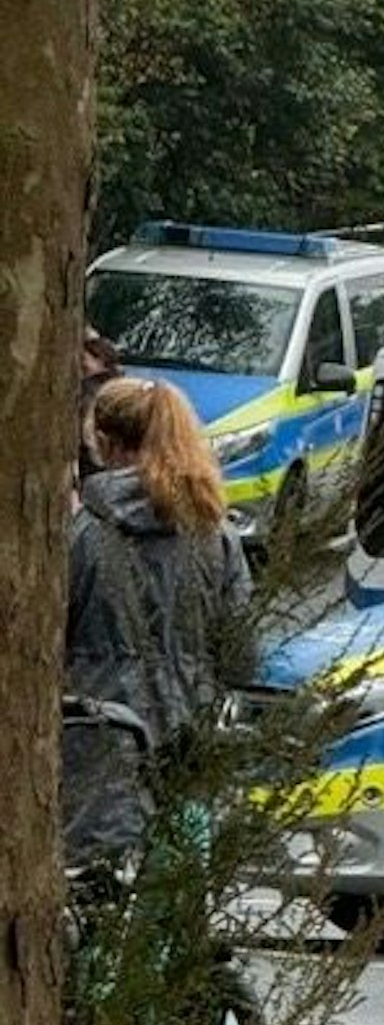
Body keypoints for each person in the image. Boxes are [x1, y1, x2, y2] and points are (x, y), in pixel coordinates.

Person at [64, 377, 252, 858]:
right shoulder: (214, 535)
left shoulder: (83, 534)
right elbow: (241, 653)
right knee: (174, 899)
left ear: (103, 442)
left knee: (95, 898)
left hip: (98, 743)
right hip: (189, 742)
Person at [79, 326, 122, 480]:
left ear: (100, 360)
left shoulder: (91, 388)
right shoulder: (121, 385)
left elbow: (86, 426)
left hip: (93, 457)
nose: (81, 366)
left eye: (84, 361)